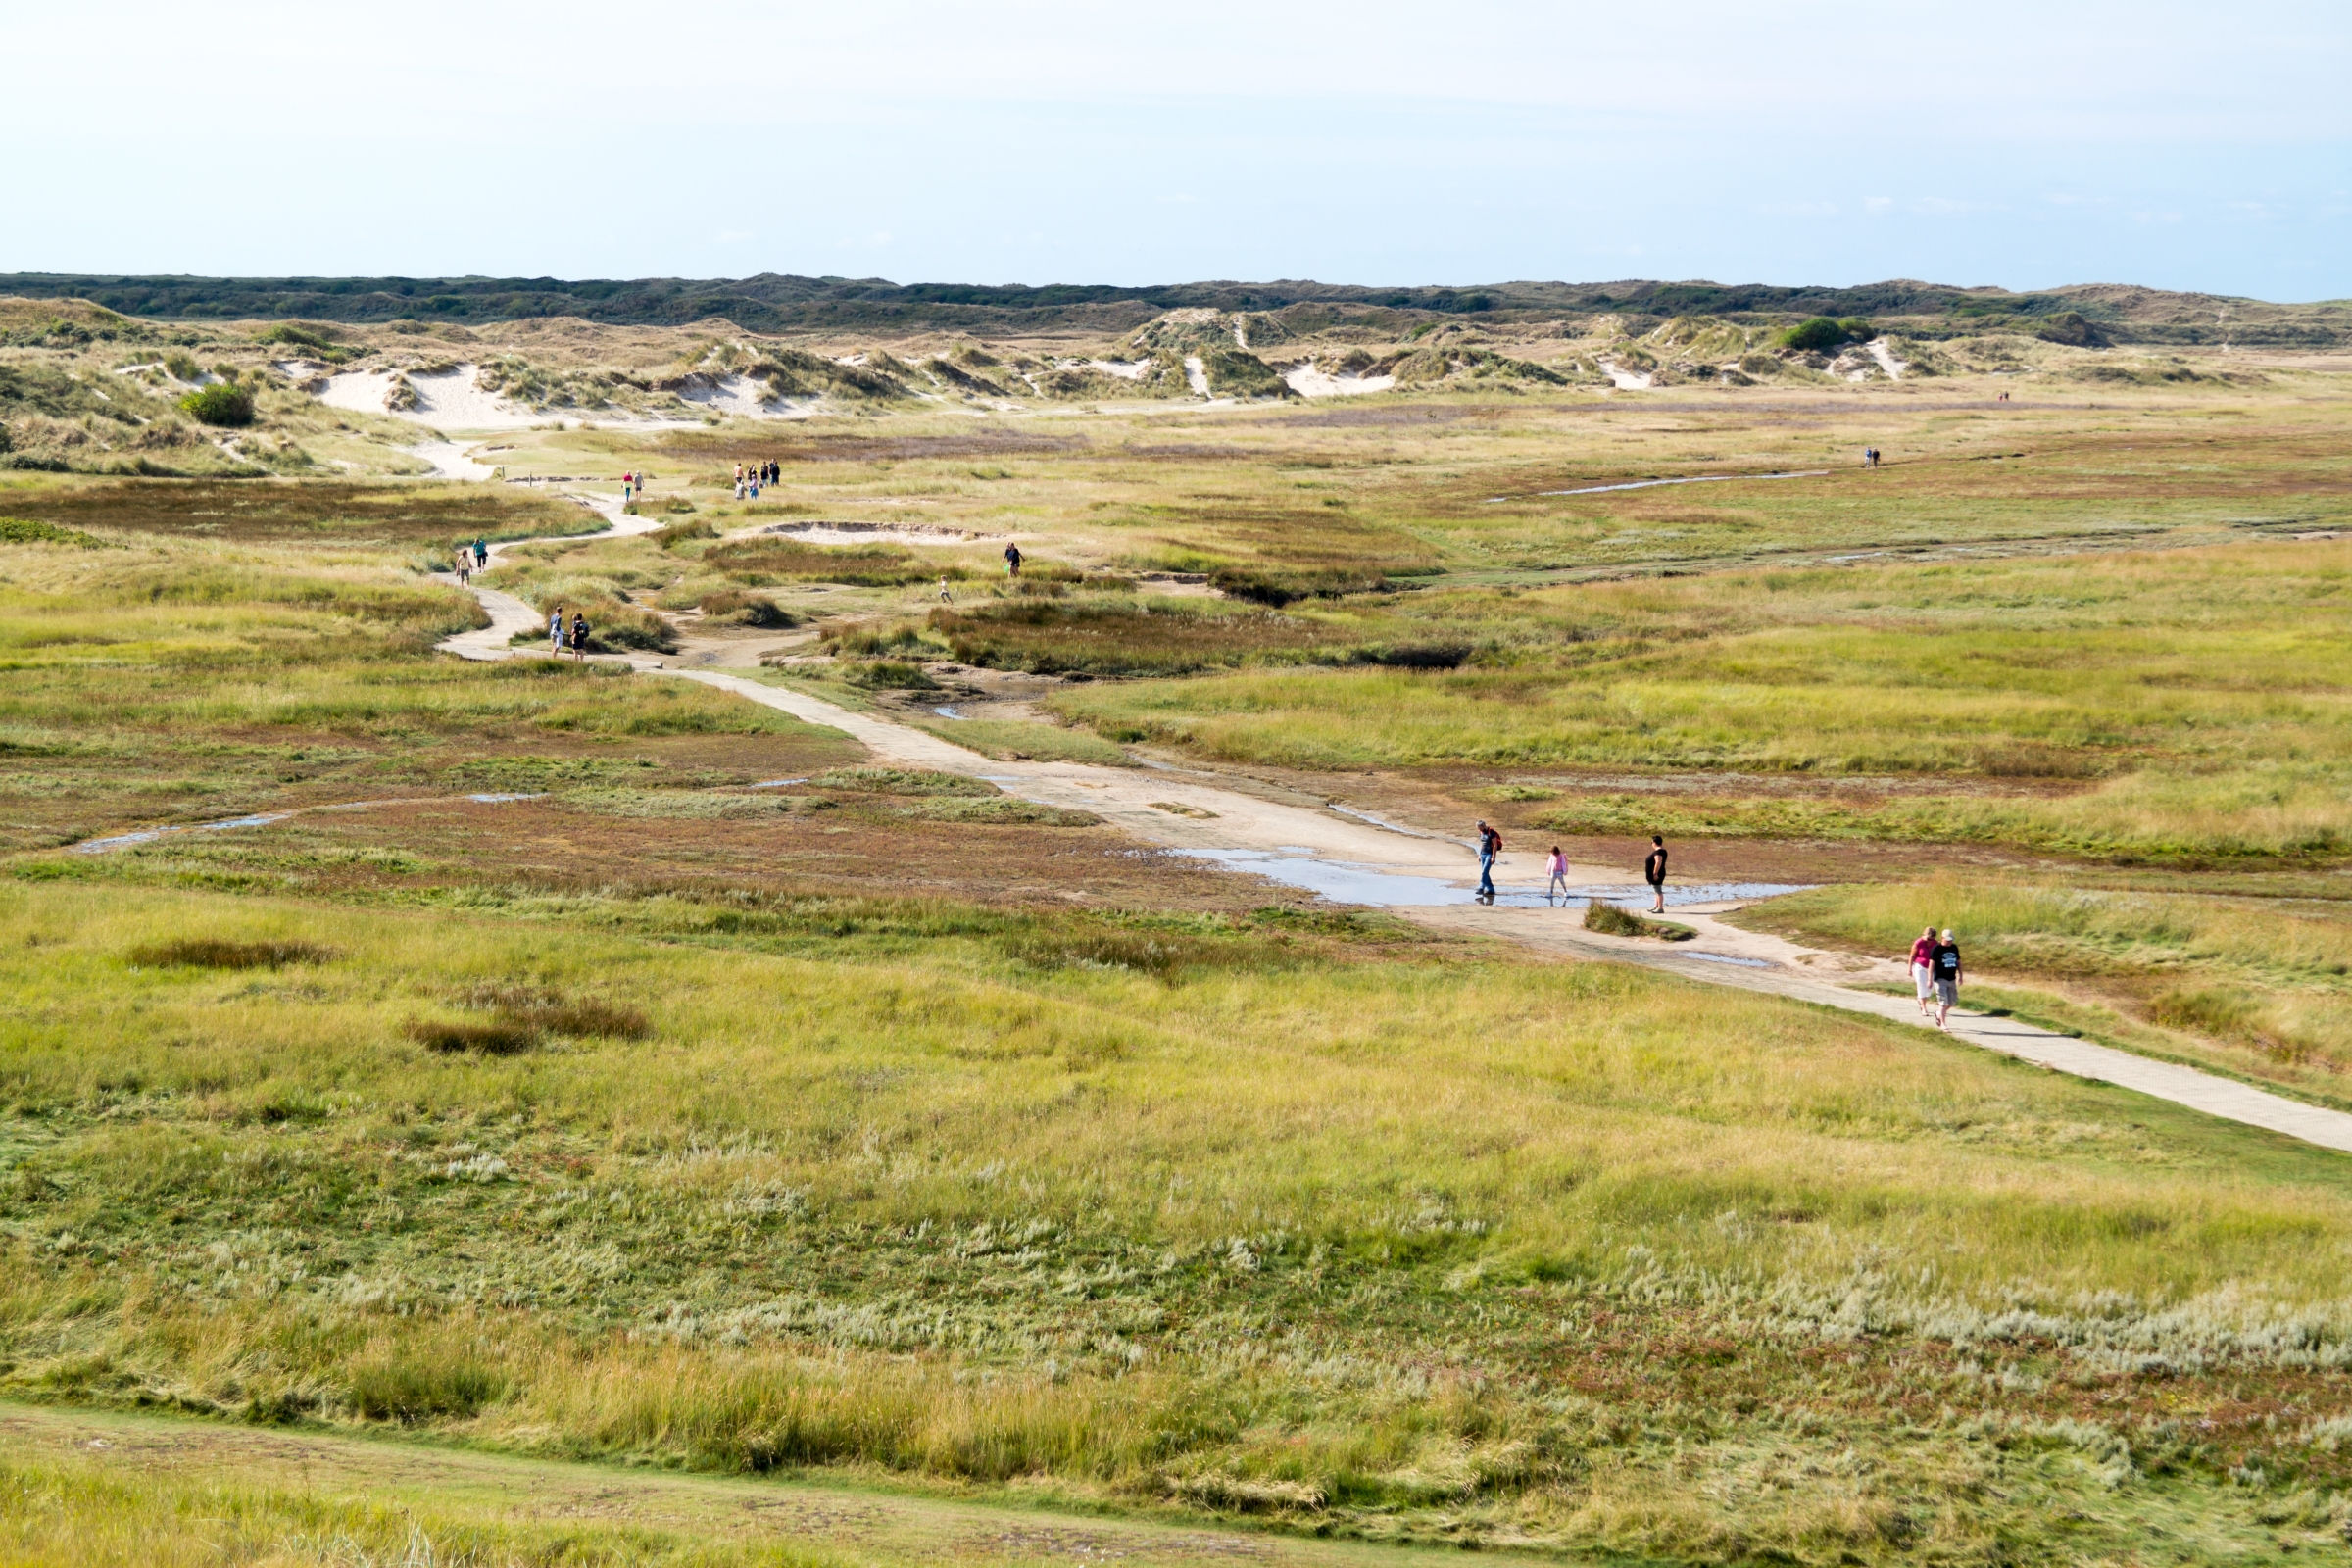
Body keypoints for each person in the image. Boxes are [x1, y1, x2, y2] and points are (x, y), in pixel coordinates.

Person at [1931, 928, 1963, 1028]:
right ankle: (1943, 1024)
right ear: (1942, 938)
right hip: (1940, 979)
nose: (1950, 942)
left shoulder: (1954, 947)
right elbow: (1931, 964)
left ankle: (1939, 1013)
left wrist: (1961, 975)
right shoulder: (1937, 949)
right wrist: (1929, 979)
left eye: (1951, 940)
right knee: (1943, 1003)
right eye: (1948, 940)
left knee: (1952, 1002)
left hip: (1952, 978)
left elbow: (1958, 962)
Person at [1906, 925, 1937, 1018]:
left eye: (1932, 939)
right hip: (1919, 966)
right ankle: (1923, 1008)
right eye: (1928, 938)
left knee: (1930, 987)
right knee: (1921, 985)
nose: (1930, 940)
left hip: (1931, 968)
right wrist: (1909, 969)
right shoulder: (1918, 943)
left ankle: (1921, 998)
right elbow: (1912, 956)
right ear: (1924, 935)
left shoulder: (1935, 943)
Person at [1475, 820, 1502, 903]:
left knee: (1484, 872)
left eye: (1480, 828)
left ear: (1484, 826)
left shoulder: (1491, 832)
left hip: (1489, 854)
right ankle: (1490, 889)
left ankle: (1481, 888)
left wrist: (1493, 857)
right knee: (1485, 872)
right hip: (1482, 854)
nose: (1479, 830)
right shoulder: (1481, 832)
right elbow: (1482, 844)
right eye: (1478, 829)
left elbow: (1495, 845)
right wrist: (1479, 855)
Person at [1643, 835, 1668, 913]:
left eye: (1651, 842)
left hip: (1657, 874)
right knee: (1656, 890)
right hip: (1657, 873)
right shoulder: (1661, 851)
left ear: (1654, 842)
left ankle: (1660, 908)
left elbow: (1658, 862)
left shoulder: (1659, 852)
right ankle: (1656, 906)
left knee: (1658, 891)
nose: (1651, 843)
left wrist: (1655, 873)